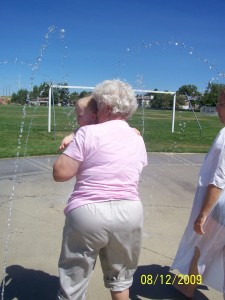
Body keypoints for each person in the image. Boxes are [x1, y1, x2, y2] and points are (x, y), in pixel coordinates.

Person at [53, 79, 148, 300]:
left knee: (73, 282)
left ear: (105, 107)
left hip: (89, 213)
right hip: (130, 212)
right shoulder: (137, 138)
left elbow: (61, 173)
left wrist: (76, 137)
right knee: (121, 281)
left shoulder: (86, 134)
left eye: (97, 103)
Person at [171, 88, 225, 299]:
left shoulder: (224, 135)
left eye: (221, 104)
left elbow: (219, 179)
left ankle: (188, 288)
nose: (217, 108)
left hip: (221, 208)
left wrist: (203, 214)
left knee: (201, 249)